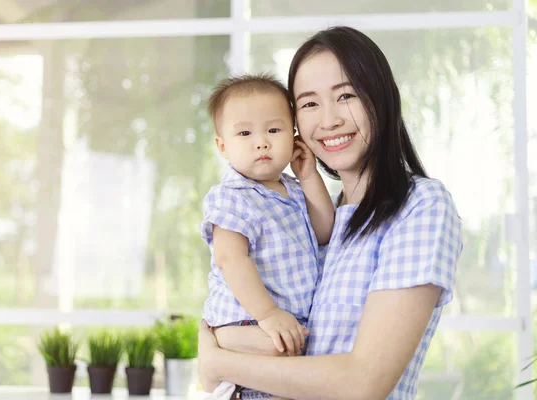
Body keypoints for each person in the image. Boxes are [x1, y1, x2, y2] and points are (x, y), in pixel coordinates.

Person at [197, 26, 463, 400]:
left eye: (346, 95)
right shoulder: (308, 213)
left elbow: (364, 383)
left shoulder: (420, 206)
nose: (329, 119)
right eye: (309, 103)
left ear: (381, 98)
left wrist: (218, 361)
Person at [200, 74, 336, 399]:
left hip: (284, 322)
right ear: (223, 146)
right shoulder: (232, 196)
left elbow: (325, 230)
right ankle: (226, 378)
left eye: (274, 130)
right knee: (290, 359)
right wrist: (268, 314)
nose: (261, 141)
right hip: (244, 320)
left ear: (294, 136)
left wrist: (308, 176)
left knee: (294, 374)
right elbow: (230, 258)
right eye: (244, 133)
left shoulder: (293, 188)